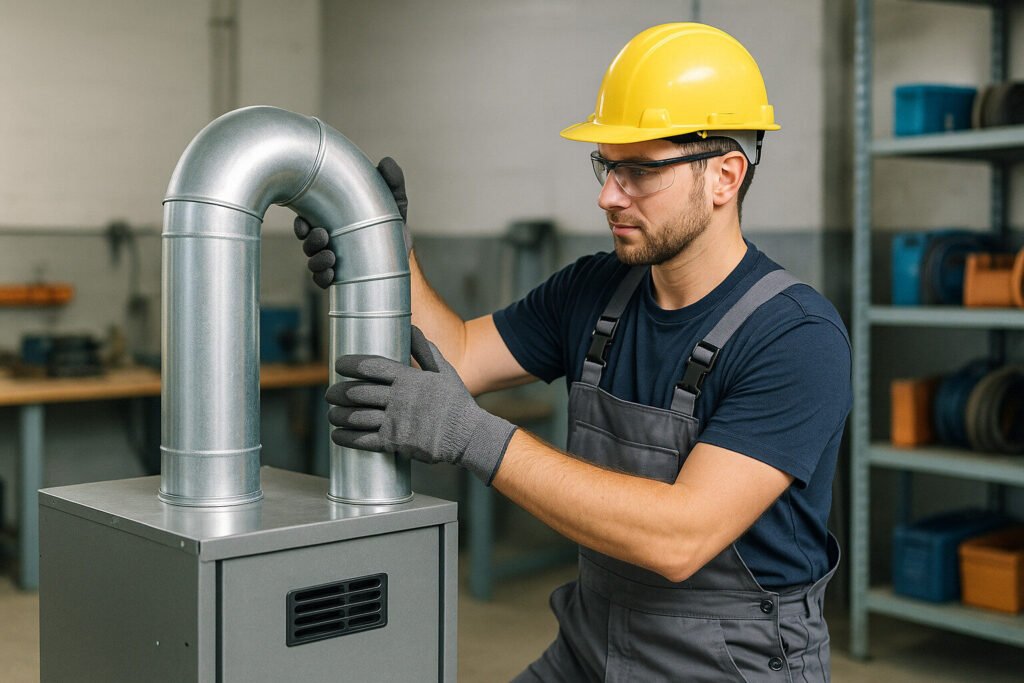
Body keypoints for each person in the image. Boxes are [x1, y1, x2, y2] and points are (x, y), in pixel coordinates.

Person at [296, 22, 850, 682]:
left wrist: (473, 434)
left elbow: (680, 536)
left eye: (640, 169)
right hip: (593, 645)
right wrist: (386, 250)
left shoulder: (795, 337)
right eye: (607, 164)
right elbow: (459, 356)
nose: (608, 194)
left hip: (731, 663)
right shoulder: (594, 289)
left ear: (725, 176)